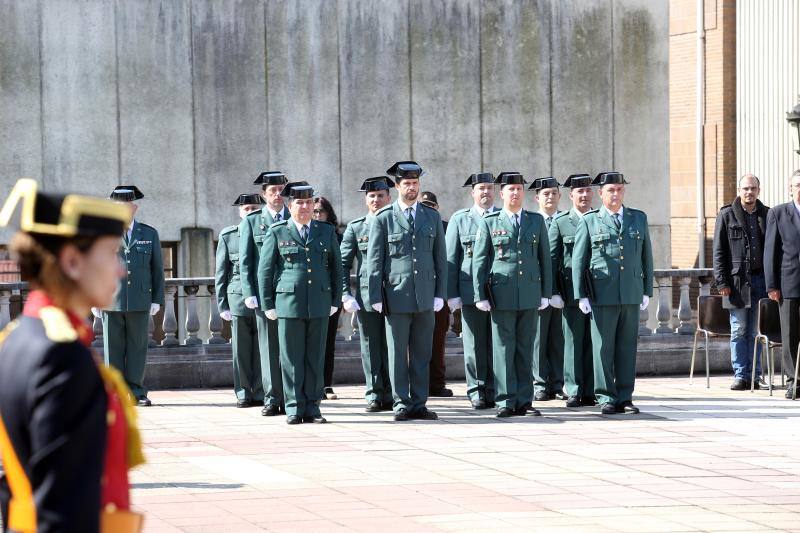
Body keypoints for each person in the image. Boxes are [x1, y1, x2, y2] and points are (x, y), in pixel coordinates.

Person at [0, 178, 145, 532]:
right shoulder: (61, 357)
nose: (121, 269)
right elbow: (62, 507)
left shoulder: (18, 336)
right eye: (111, 253)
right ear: (72, 262)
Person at [366, 161, 447, 421]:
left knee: (423, 352)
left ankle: (419, 402)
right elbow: (374, 260)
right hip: (396, 295)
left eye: (415, 184)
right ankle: (401, 402)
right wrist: (375, 296)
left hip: (425, 294)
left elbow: (440, 259)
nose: (412, 188)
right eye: (407, 184)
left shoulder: (431, 216)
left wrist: (440, 294)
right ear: (398, 187)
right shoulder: (384, 217)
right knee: (397, 352)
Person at [258, 185, 342, 424]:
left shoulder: (325, 231)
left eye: (308, 203)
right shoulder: (277, 232)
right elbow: (265, 271)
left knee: (315, 357)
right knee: (291, 358)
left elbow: (336, 268)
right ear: (290, 205)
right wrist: (268, 304)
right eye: (299, 203)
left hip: (319, 301)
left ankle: (313, 408)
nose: (304, 207)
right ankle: (294, 407)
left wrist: (335, 299)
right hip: (288, 303)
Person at [572, 172, 653, 415]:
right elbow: (579, 260)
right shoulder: (589, 221)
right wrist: (581, 294)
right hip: (602, 293)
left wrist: (646, 289)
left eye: (619, 189)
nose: (615, 194)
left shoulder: (637, 219)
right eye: (610, 190)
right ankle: (606, 396)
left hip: (630, 292)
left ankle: (625, 396)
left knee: (627, 348)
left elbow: (646, 256)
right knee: (603, 348)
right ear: (601, 193)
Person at [472, 172, 552, 418]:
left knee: (526, 348)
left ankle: (525, 401)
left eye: (519, 189)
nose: (515, 193)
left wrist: (545, 293)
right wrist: (480, 294)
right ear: (502, 194)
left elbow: (544, 259)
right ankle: (505, 400)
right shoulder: (490, 222)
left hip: (529, 293)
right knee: (503, 348)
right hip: (501, 293)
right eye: (510, 190)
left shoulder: (535, 221)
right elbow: (480, 260)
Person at [96, 185, 165, 407]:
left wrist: (157, 299)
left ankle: (137, 392)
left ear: (134, 207)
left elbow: (157, 270)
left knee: (137, 348)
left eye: (127, 205)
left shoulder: (149, 233)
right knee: (112, 349)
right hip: (111, 299)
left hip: (139, 299)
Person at [341, 176, 395, 412]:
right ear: (366, 200)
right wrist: (345, 293)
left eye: (381, 196)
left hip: (395, 293)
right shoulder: (356, 227)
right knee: (371, 344)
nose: (376, 200)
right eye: (372, 196)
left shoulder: (398, 222)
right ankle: (374, 392)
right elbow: (342, 263)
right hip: (366, 296)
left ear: (389, 198)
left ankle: (394, 391)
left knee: (395, 344)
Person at [712, 174, 770, 390]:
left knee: (756, 332)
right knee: (738, 329)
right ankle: (741, 375)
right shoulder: (726, 215)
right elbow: (718, 251)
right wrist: (721, 282)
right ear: (739, 190)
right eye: (745, 188)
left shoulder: (767, 214)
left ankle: (755, 376)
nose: (749, 192)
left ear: (759, 190)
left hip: (761, 281)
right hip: (736, 283)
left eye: (753, 188)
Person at [446, 172, 498, 409]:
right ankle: (477, 389)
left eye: (489, 188)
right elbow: (451, 259)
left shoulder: (502, 216)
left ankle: (496, 388)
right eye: (481, 188)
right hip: (469, 292)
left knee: (498, 342)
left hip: (500, 290)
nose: (485, 192)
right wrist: (452, 293)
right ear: (473, 192)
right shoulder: (460, 219)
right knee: (475, 343)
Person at [239, 171, 289, 416]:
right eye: (273, 191)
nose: (278, 195)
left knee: (291, 347)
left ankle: (291, 396)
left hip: (291, 293)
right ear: (264, 194)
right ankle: (272, 397)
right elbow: (246, 261)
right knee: (268, 349)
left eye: (281, 190)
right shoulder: (251, 221)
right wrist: (249, 291)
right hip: (264, 295)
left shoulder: (296, 215)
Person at [549, 173, 597, 407]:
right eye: (580, 191)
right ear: (571, 195)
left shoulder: (600, 218)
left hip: (599, 291)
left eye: (588, 191)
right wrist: (553, 291)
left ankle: (592, 389)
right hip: (570, 293)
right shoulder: (561, 222)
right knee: (573, 342)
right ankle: (575, 389)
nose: (585, 195)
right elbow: (551, 259)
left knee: (595, 342)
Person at [216, 194, 266, 407]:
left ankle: (262, 390)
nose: (250, 212)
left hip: (264, 298)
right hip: (238, 298)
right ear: (240, 211)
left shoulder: (268, 231)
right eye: (247, 209)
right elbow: (221, 272)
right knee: (241, 349)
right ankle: (243, 391)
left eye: (255, 208)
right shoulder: (229, 235)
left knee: (263, 348)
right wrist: (222, 303)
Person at [764, 169, 800, 399]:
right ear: (790, 188)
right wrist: (772, 285)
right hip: (789, 284)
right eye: (798, 184)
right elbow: (770, 252)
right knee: (790, 335)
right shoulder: (779, 213)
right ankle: (793, 381)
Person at [530, 177, 566, 401]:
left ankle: (558, 383)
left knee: (558, 339)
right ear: (537, 198)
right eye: (546, 194)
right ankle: (540, 383)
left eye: (554, 193)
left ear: (560, 196)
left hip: (562, 291)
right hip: (538, 290)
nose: (550, 197)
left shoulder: (566, 220)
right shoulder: (532, 221)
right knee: (538, 340)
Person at [420, 191, 454, 398]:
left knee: (438, 340)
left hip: (440, 292)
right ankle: (417, 382)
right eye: (424, 205)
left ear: (437, 207)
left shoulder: (447, 227)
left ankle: (437, 383)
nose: (428, 209)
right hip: (419, 291)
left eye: (431, 205)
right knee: (415, 342)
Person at [313, 195, 343, 400]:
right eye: (314, 211)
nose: (316, 214)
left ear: (328, 213)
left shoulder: (335, 236)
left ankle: (326, 384)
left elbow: (339, 269)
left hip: (328, 295)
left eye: (320, 211)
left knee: (328, 341)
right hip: (307, 294)